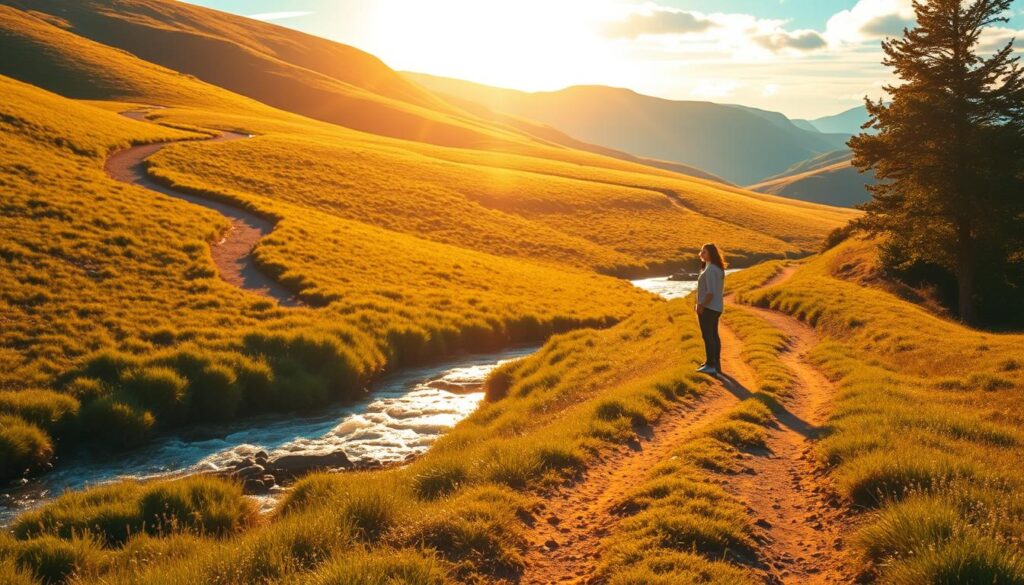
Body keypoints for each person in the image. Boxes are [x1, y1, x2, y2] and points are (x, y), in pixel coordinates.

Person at [695, 243, 726, 375]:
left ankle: (710, 365)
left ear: (711, 254)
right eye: (701, 251)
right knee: (713, 335)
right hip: (716, 307)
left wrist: (701, 305)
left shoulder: (711, 269)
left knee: (708, 336)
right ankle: (714, 363)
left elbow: (710, 292)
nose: (701, 254)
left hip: (709, 307)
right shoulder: (714, 268)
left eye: (704, 252)